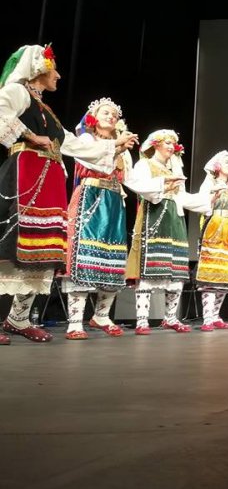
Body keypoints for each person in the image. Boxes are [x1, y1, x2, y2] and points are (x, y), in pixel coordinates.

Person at [0, 44, 135, 344]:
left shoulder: (46, 109)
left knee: (42, 248)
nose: (59, 76)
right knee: (13, 242)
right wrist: (30, 135)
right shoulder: (18, 92)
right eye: (55, 70)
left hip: (46, 179)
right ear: (39, 69)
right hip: (25, 173)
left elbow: (72, 144)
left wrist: (113, 146)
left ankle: (18, 318)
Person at [63, 98, 136, 340]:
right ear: (93, 117)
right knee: (84, 254)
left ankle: (101, 315)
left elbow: (130, 179)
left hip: (114, 201)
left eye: (115, 114)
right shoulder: (86, 140)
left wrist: (162, 185)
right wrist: (117, 147)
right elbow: (93, 161)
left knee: (112, 256)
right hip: (91, 196)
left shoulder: (122, 147)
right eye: (106, 113)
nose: (111, 116)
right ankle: (75, 321)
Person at [125, 130, 209, 335]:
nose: (172, 147)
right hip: (154, 214)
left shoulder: (174, 168)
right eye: (168, 143)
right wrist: (163, 184)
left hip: (175, 218)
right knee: (149, 267)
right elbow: (137, 185)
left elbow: (182, 197)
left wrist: (209, 201)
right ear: (156, 144)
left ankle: (170, 318)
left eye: (174, 144)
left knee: (176, 270)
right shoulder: (145, 164)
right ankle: (142, 320)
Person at [195, 150, 228, 331]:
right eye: (227, 162)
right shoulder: (210, 182)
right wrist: (212, 197)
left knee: (226, 275)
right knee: (212, 274)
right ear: (217, 166)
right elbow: (201, 204)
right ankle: (207, 318)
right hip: (216, 226)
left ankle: (215, 315)